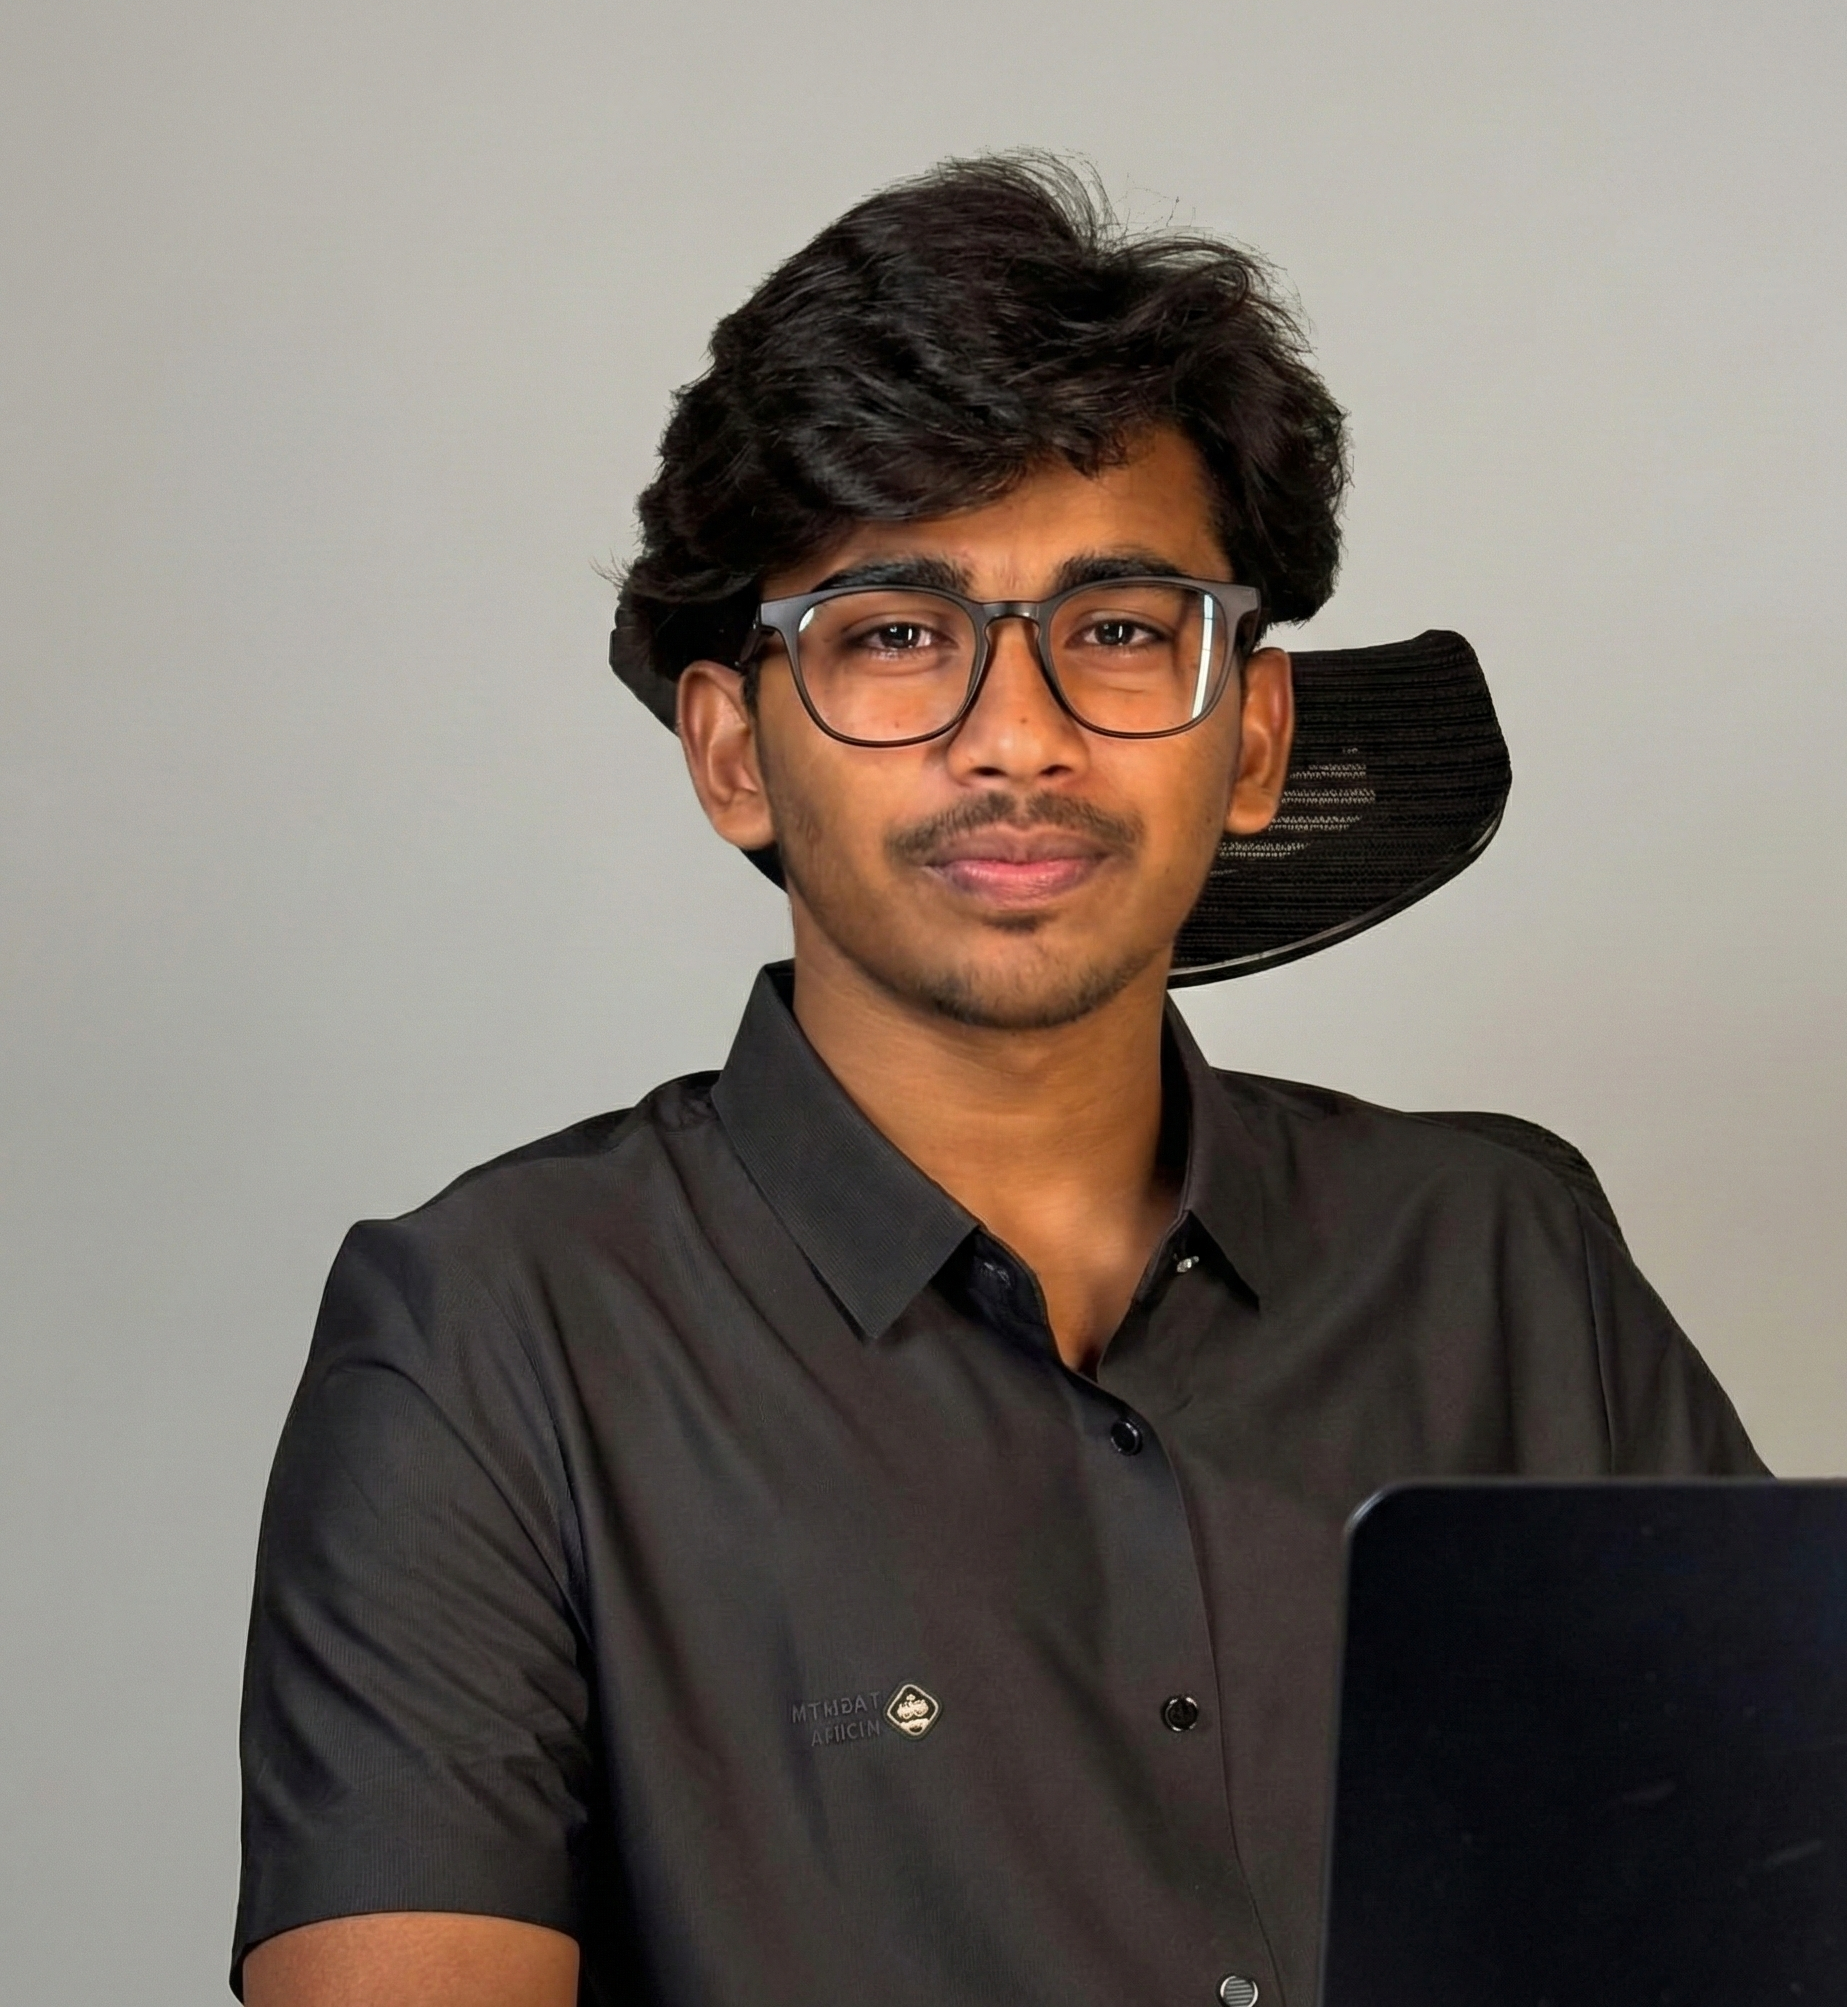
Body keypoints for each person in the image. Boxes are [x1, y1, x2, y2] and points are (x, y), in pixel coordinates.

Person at [234, 155, 1763, 2007]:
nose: (1019, 739)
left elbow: (1797, 1894)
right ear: (732, 752)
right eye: (895, 634)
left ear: (1253, 736)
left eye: (1119, 630)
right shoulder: (492, 1338)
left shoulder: (1505, 1259)